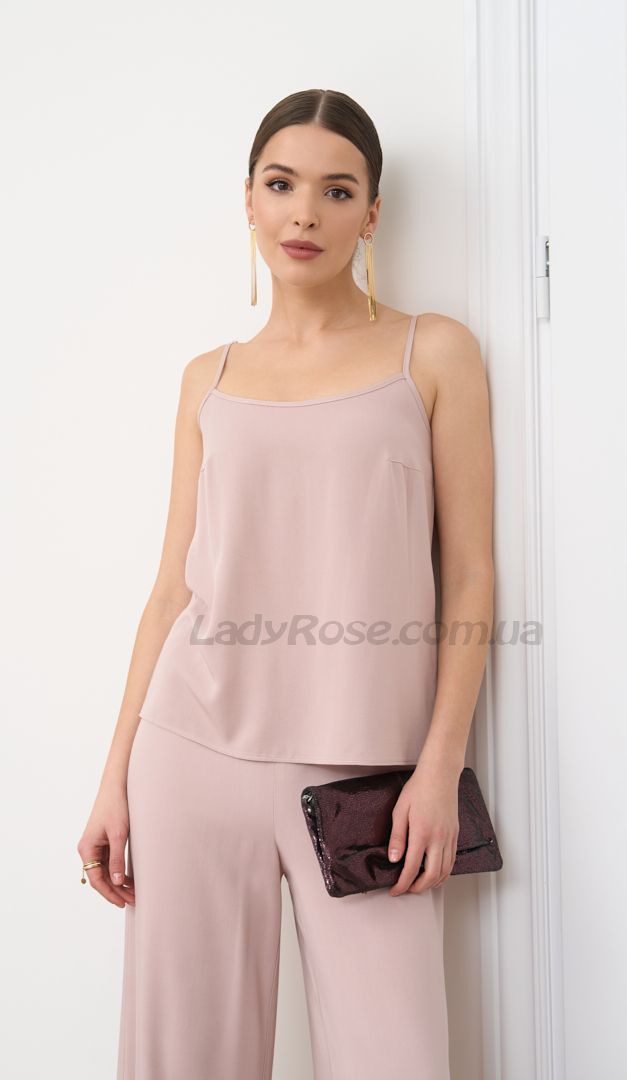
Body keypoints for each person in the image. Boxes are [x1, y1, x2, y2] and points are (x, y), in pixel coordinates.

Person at [77, 88, 494, 1080]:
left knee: (395, 1058)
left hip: (366, 775)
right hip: (190, 753)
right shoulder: (208, 377)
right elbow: (172, 588)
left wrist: (439, 768)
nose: (304, 212)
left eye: (336, 190)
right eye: (281, 184)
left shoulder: (432, 351)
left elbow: (472, 573)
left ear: (370, 213)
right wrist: (113, 774)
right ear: (250, 201)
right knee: (184, 1062)